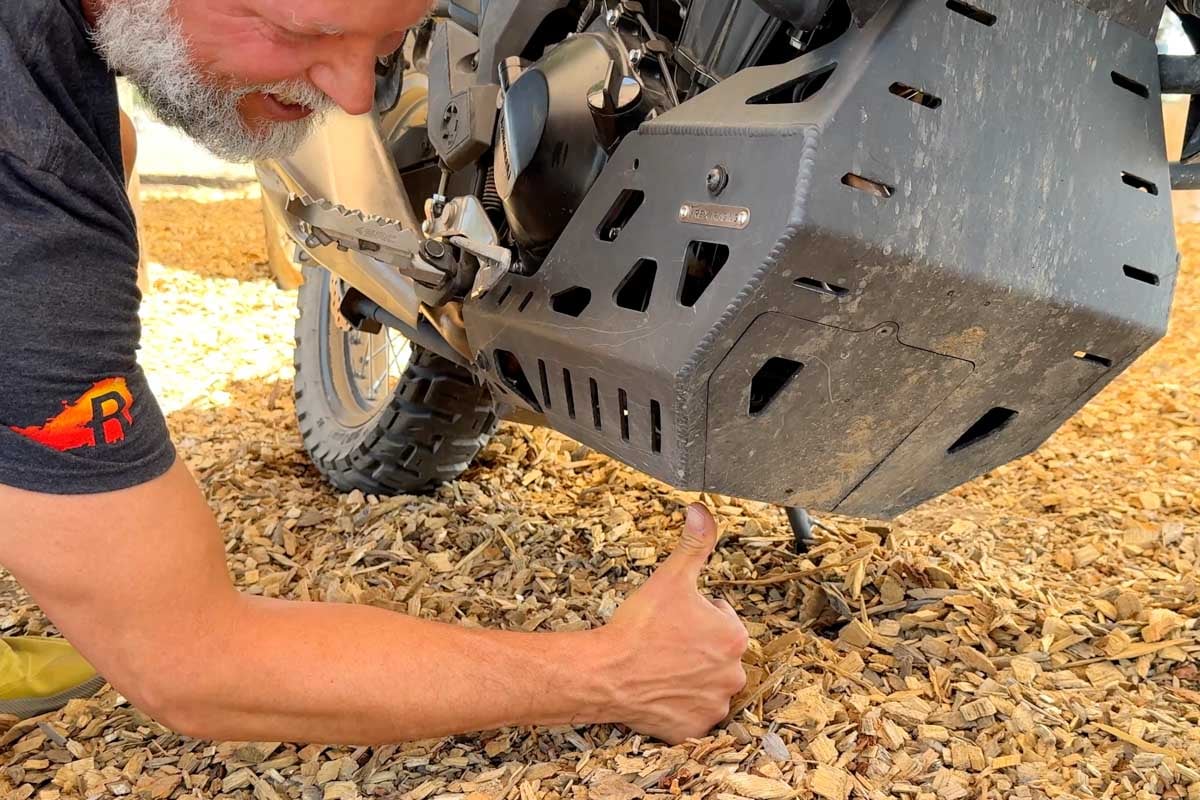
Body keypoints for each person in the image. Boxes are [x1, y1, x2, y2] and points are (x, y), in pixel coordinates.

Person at [0, 0, 749, 744]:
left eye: (386, 44)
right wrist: (614, 671)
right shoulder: (30, 208)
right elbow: (190, 657)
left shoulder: (65, 97)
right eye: (305, 33)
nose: (354, 95)